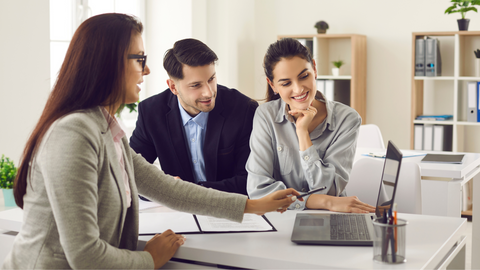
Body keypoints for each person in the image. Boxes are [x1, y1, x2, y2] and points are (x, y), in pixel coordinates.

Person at [2, 14, 301, 270]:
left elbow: (164, 187)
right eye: (140, 59)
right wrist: (149, 259)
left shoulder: (105, 127)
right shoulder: (73, 133)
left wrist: (251, 206)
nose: (146, 70)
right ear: (108, 64)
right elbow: (85, 256)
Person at [246, 38, 375, 213]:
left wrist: (302, 134)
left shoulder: (347, 119)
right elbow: (258, 192)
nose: (298, 89)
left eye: (304, 76)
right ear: (273, 85)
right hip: (281, 220)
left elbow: (330, 190)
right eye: (286, 83)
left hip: (331, 217)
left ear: (314, 69)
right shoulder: (265, 116)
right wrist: (322, 201)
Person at [130, 38, 257, 195]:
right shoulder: (151, 112)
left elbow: (250, 180)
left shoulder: (243, 108)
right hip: (177, 213)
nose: (209, 92)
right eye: (196, 85)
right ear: (173, 87)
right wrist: (165, 188)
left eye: (211, 79)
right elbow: (130, 175)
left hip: (230, 210)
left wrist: (186, 192)